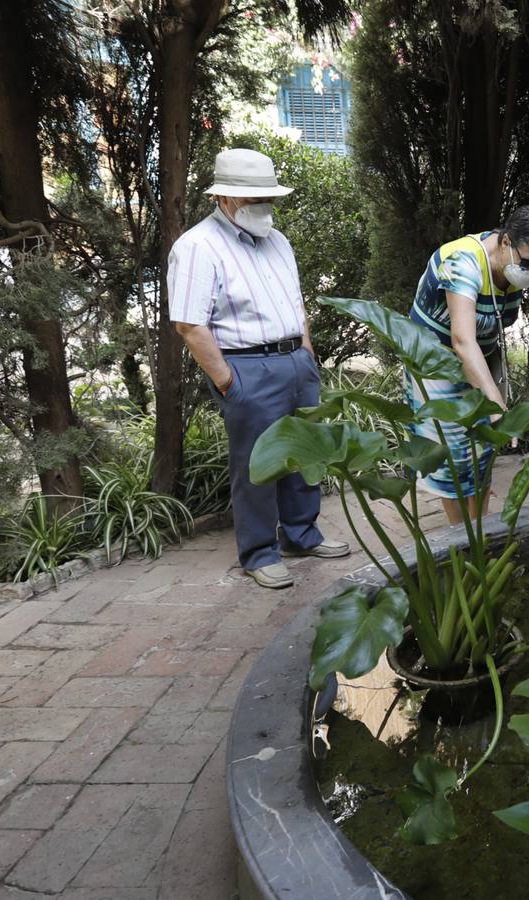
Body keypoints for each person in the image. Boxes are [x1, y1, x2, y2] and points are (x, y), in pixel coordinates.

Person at [169, 148, 349, 589]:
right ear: (224, 199)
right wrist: (229, 382)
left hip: (295, 362)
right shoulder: (197, 247)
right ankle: (259, 553)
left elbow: (295, 303)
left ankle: (301, 535)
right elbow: (190, 324)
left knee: (304, 453)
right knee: (256, 465)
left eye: (269, 199)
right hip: (247, 367)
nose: (265, 208)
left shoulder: (278, 241)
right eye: (254, 201)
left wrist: (305, 353)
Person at [408, 205, 529, 523]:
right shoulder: (463, 261)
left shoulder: (513, 270)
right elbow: (462, 341)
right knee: (453, 455)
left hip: (479, 358)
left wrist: (495, 394)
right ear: (506, 242)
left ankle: (478, 535)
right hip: (434, 364)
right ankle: (462, 540)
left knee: (481, 451)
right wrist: (495, 404)